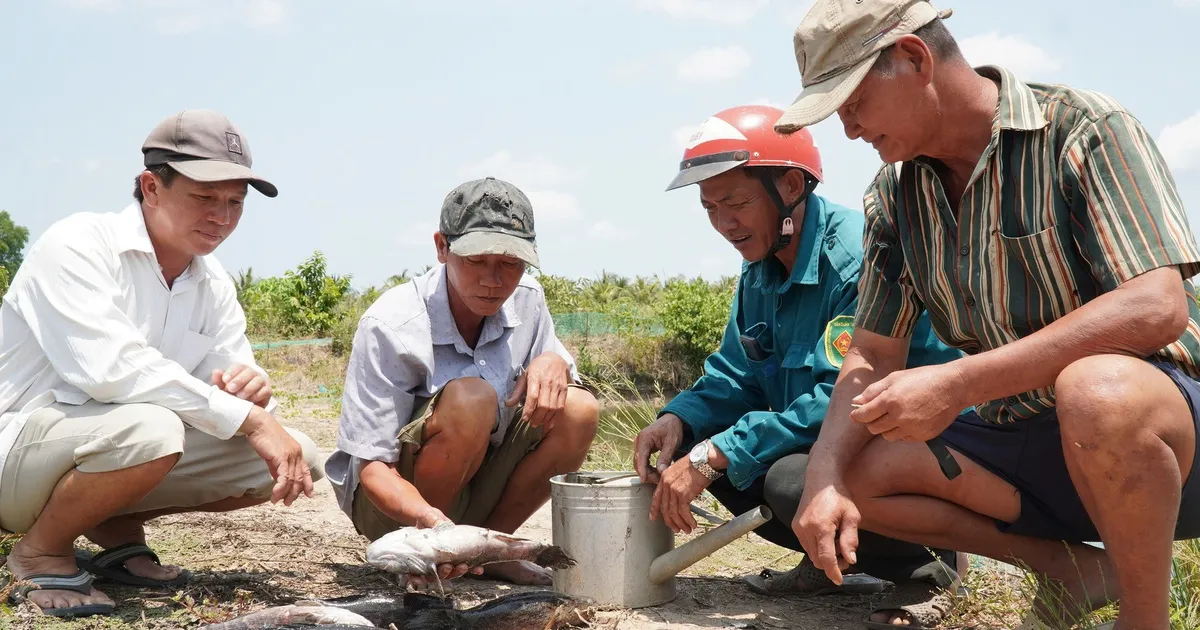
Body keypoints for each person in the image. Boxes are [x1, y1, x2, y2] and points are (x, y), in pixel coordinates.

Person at [776, 1, 1200, 628]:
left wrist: (958, 383)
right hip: (1022, 443)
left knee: (1096, 389)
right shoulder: (895, 197)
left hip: (1161, 442)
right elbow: (871, 352)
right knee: (843, 469)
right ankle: (1072, 570)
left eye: (853, 103)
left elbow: (1156, 306)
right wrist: (826, 474)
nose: (850, 130)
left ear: (914, 59)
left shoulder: (1083, 129)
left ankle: (1144, 619)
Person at [633, 104, 968, 625]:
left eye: (737, 203)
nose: (725, 224)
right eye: (710, 208)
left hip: (913, 447)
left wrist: (717, 452)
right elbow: (735, 374)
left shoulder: (859, 257)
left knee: (784, 480)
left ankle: (927, 565)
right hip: (830, 444)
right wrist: (679, 421)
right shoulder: (760, 270)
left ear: (790, 186)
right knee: (713, 452)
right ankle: (825, 560)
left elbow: (847, 392)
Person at [0, 110, 323, 618]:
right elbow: (112, 371)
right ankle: (40, 550)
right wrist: (248, 416)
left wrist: (252, 392)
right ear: (151, 187)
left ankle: (110, 523)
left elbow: (229, 385)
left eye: (235, 203)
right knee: (153, 429)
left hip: (110, 452)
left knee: (296, 453)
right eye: (204, 198)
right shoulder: (77, 244)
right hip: (17, 456)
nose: (222, 217)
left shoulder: (211, 282)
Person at [324, 176, 600, 587]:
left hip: (478, 489)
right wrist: (432, 526)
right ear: (441, 247)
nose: (493, 279)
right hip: (398, 509)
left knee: (580, 408)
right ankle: (431, 556)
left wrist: (553, 361)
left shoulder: (528, 299)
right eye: (475, 260)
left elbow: (558, 375)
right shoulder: (392, 324)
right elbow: (373, 469)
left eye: (510, 262)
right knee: (472, 399)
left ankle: (490, 553)